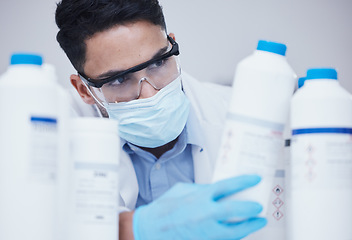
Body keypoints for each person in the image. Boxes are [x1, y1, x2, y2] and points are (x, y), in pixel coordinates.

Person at [55, 0, 267, 239]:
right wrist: (136, 227)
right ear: (84, 90)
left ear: (171, 46)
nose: (150, 94)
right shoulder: (55, 135)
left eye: (158, 63)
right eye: (118, 80)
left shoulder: (233, 114)